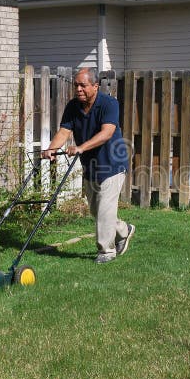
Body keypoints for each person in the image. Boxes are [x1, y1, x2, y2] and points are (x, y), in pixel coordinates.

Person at [42, 68, 135, 263]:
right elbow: (64, 132)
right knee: (96, 210)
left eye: (83, 85)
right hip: (91, 166)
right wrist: (51, 148)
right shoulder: (72, 107)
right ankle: (124, 231)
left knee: (104, 211)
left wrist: (81, 147)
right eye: (76, 85)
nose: (78, 89)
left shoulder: (109, 104)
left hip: (112, 164)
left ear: (95, 86)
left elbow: (107, 132)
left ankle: (106, 252)